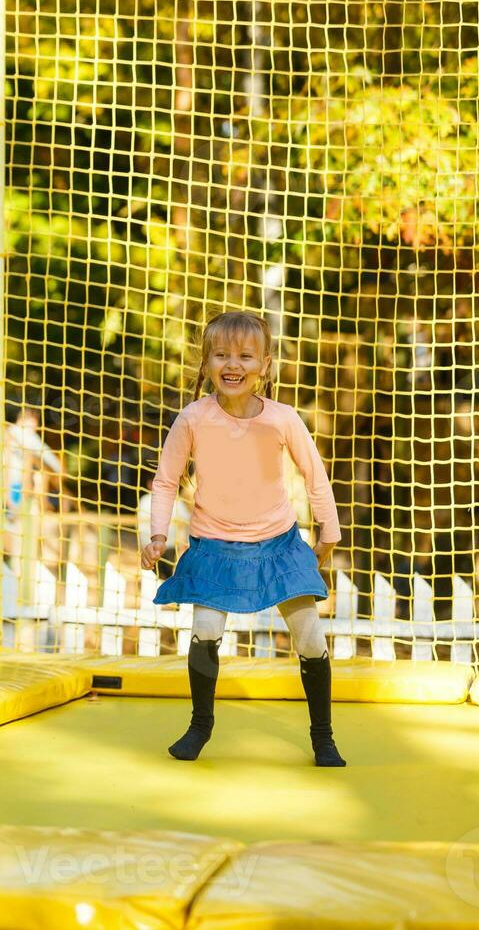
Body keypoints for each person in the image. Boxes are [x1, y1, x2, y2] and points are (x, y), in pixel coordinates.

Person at [140, 311, 346, 767]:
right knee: (206, 631)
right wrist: (156, 534)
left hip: (278, 544)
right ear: (207, 363)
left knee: (310, 637)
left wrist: (326, 534)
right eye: (222, 355)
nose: (233, 364)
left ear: (265, 365)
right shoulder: (194, 418)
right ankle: (200, 725)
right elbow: (165, 481)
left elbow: (315, 478)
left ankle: (323, 737)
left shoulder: (282, 419)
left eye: (245, 356)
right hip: (215, 546)